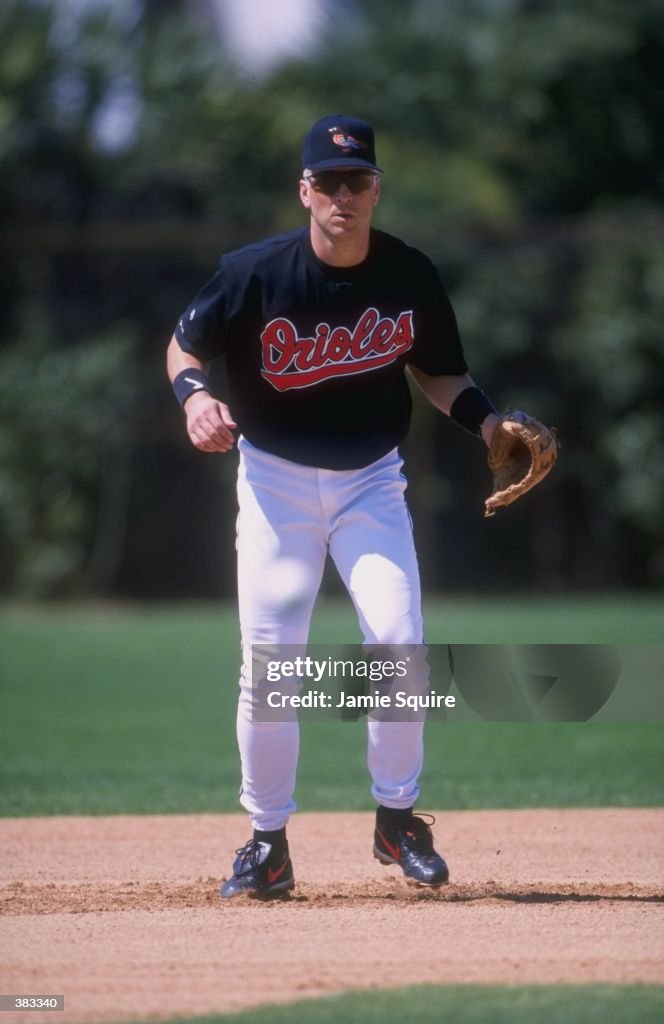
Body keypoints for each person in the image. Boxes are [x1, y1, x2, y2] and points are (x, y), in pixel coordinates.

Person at [167, 114, 501, 899]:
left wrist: (487, 422)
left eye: (357, 181)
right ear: (305, 190)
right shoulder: (255, 272)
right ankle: (267, 843)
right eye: (328, 181)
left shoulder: (409, 274)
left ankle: (398, 821)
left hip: (369, 482)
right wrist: (192, 398)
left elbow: (440, 371)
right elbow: (184, 345)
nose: (342, 195)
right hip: (275, 484)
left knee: (399, 645)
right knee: (270, 665)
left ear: (376, 189)